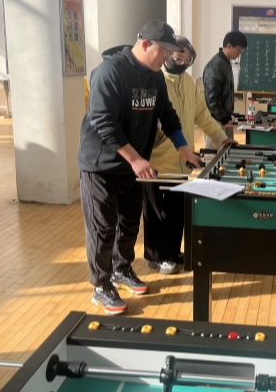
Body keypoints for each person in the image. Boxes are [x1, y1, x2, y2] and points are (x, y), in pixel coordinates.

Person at [78, 21, 203, 315]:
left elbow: (167, 115)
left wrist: (184, 147)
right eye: (164, 52)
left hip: (133, 168)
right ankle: (101, 285)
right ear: (146, 44)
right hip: (101, 166)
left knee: (129, 223)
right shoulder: (109, 72)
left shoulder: (154, 77)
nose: (167, 59)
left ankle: (122, 269)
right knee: (102, 228)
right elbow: (104, 123)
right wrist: (135, 158)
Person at [143, 36, 237, 275]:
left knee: (177, 211)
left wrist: (220, 137)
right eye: (179, 57)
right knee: (156, 212)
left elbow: (202, 115)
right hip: (156, 160)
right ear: (168, 54)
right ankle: (156, 257)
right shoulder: (155, 80)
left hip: (182, 161)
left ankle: (173, 251)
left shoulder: (188, 83)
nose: (183, 63)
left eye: (187, 60)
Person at [203, 31, 248, 149]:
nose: (239, 53)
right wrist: (223, 119)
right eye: (238, 50)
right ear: (229, 46)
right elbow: (212, 99)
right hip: (215, 121)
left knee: (226, 152)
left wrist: (226, 118)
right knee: (214, 156)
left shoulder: (225, 62)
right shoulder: (215, 65)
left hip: (223, 119)